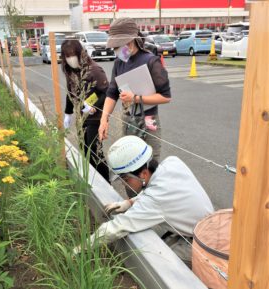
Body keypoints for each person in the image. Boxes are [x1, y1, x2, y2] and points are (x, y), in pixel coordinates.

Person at [74, 136, 214, 268]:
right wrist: (129, 203)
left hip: (205, 245)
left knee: (157, 265)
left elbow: (117, 228)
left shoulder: (155, 199)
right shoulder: (173, 163)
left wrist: (79, 249)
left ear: (144, 174)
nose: (124, 184)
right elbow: (159, 191)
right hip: (207, 227)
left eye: (126, 179)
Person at [98, 18, 171, 162]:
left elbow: (165, 97)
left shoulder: (151, 61)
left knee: (150, 164)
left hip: (149, 121)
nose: (115, 50)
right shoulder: (119, 63)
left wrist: (136, 98)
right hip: (128, 120)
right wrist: (103, 119)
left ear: (130, 42)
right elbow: (112, 94)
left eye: (117, 46)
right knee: (129, 162)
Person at [61, 39, 109, 182]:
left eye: (72, 54)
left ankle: (106, 183)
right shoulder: (71, 71)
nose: (70, 58)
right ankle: (93, 181)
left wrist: (94, 105)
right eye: (66, 55)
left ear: (80, 53)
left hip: (96, 117)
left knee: (94, 152)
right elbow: (70, 93)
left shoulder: (94, 70)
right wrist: (68, 113)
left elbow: (107, 92)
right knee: (84, 149)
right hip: (81, 117)